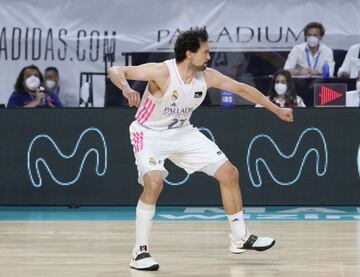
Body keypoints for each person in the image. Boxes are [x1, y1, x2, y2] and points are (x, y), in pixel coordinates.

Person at [108, 27, 293, 271]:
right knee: (154, 183)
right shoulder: (162, 72)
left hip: (183, 132)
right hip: (149, 133)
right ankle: (139, 252)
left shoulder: (207, 76)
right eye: (205, 52)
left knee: (229, 173)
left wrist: (276, 110)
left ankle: (240, 237)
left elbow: (242, 89)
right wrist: (126, 87)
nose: (209, 57)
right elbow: (115, 70)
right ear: (189, 53)